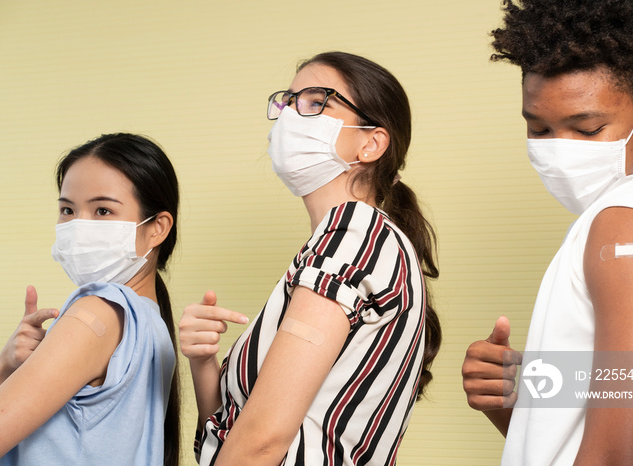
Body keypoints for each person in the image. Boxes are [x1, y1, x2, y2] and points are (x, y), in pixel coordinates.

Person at [180, 51, 441, 466]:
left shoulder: (354, 231)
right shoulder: (342, 242)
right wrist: (203, 363)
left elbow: (264, 442)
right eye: (289, 100)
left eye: (317, 101)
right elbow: (236, 430)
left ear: (371, 142)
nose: (290, 114)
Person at [462, 1, 633, 464]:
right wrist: (520, 401)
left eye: (587, 129)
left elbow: (616, 457)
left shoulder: (626, 222)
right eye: (540, 128)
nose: (560, 151)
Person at [0, 133, 181, 465]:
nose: (78, 225)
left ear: (157, 228)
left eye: (103, 210)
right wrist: (8, 369)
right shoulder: (152, 324)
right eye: (67, 209)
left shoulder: (98, 310)